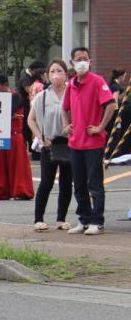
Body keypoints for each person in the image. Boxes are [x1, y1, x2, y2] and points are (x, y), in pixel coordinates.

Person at [62, 47, 117, 235]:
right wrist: (66, 125)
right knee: (78, 184)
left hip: (93, 143)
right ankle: (84, 219)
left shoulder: (97, 81)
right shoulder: (71, 84)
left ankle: (97, 221)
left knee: (95, 184)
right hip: (75, 142)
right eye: (78, 59)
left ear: (90, 60)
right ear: (72, 63)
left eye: (85, 58)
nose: (82, 61)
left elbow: (110, 105)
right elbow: (64, 108)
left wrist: (101, 127)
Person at [28, 60, 73, 231]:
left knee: (66, 182)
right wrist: (40, 137)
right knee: (46, 182)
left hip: (69, 142)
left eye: (60, 70)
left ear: (66, 73)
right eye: (52, 70)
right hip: (49, 144)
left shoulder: (72, 92)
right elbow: (30, 119)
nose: (56, 74)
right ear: (47, 74)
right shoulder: (43, 96)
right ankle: (38, 219)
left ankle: (61, 219)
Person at [0, 74, 34, 200]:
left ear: (5, 85)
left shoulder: (15, 96)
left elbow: (8, 111)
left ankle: (20, 191)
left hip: (14, 135)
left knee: (17, 165)